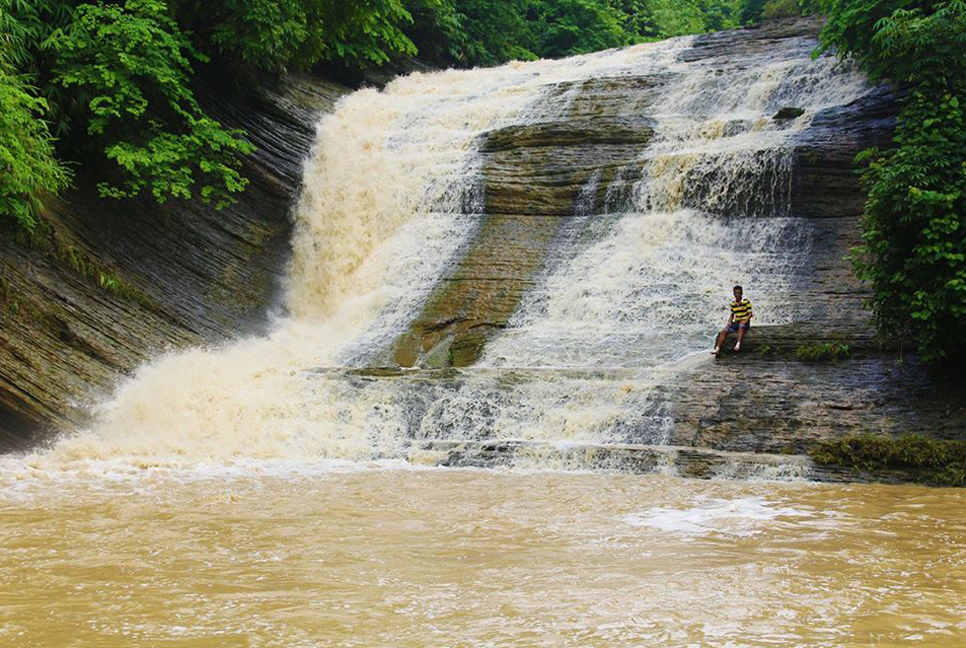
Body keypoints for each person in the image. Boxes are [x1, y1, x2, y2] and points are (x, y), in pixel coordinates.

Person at [713, 285, 753, 356]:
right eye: (736, 293)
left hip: (744, 322)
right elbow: (732, 315)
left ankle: (738, 344)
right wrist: (729, 322)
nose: (737, 295)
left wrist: (745, 320)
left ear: (741, 293)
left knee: (741, 325)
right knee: (724, 331)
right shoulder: (733, 304)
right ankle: (717, 348)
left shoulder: (746, 302)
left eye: (739, 293)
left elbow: (750, 313)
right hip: (736, 322)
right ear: (734, 294)